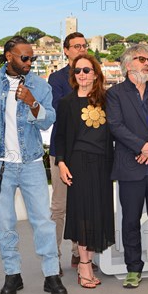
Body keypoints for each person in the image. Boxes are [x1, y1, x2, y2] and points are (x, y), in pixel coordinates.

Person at [0, 36, 67, 294]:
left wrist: (32, 102)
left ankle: (51, 274)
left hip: (30, 162)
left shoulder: (39, 86)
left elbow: (47, 122)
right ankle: (12, 274)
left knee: (43, 220)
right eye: (24, 58)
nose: (29, 62)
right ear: (9, 56)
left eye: (32, 58)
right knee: (4, 223)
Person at [106, 44, 148, 289]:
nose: (147, 63)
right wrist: (142, 147)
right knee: (130, 221)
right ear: (128, 64)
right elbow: (115, 126)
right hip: (130, 167)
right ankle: (133, 269)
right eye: (141, 59)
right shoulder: (115, 94)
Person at [55, 54, 115, 288]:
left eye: (87, 70)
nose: (82, 74)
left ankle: (87, 261)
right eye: (78, 71)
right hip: (78, 164)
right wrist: (61, 163)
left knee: (97, 212)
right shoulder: (66, 103)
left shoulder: (107, 101)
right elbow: (59, 136)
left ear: (96, 74)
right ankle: (84, 266)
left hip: (102, 164)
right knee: (82, 214)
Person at [48, 32, 88, 274]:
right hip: (62, 151)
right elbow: (58, 111)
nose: (81, 49)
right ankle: (54, 257)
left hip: (87, 152)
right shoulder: (56, 78)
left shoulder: (94, 76)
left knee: (82, 205)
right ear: (66, 50)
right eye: (76, 46)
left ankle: (78, 254)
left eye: (84, 46)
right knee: (60, 206)